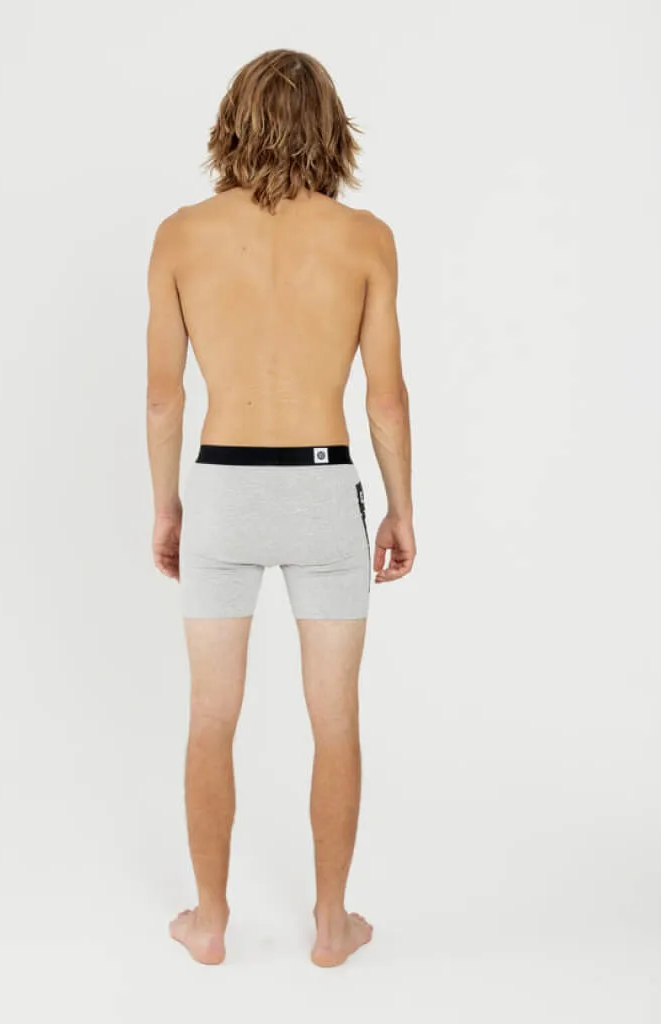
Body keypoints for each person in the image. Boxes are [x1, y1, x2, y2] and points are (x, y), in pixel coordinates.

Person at [145, 48, 414, 967]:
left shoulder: (181, 235)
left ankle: (209, 922)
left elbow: (164, 399)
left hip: (222, 487)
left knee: (210, 717)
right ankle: (332, 926)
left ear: (234, 120)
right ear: (331, 128)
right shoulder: (366, 238)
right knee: (334, 721)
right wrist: (400, 507)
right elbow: (386, 399)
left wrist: (168, 507)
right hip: (320, 488)